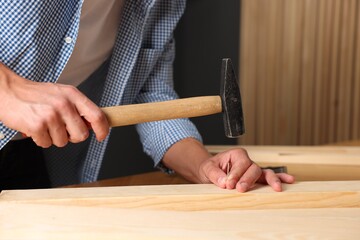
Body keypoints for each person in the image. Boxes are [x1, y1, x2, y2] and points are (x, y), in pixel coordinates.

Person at [0, 1, 294, 191]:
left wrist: (206, 166)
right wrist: (7, 90)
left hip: (23, 155)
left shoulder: (161, 4)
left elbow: (152, 95)